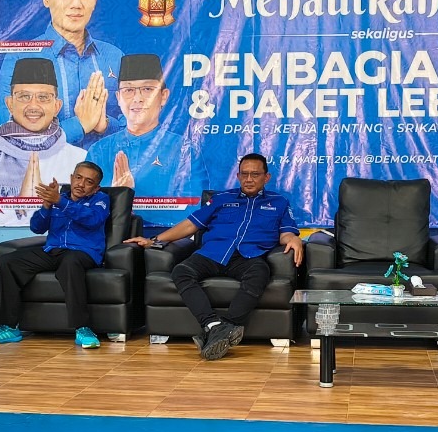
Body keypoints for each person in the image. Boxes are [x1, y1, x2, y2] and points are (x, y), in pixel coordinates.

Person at [124, 153, 303, 361]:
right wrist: (154, 240)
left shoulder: (279, 202)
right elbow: (190, 225)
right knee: (181, 271)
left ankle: (225, 326)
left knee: (260, 272)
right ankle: (214, 325)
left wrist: (294, 239)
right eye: (244, 174)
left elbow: (286, 233)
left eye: (255, 174)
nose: (249, 179)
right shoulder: (221, 199)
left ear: (266, 177)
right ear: (238, 176)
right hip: (213, 253)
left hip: (248, 256)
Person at [0, 0, 125, 149]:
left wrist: (104, 124)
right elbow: (6, 132)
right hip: (43, 170)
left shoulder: (114, 57)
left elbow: (138, 129)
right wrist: (79, 125)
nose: (76, 3)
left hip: (105, 169)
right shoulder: (21, 57)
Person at [0, 161, 110, 348]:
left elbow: (92, 219)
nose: (81, 184)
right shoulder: (58, 199)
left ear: (96, 187)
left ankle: (82, 328)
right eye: (78, 178)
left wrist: (60, 202)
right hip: (53, 251)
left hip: (83, 252)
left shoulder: (101, 200)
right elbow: (37, 227)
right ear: (72, 178)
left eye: (89, 182)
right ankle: (8, 327)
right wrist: (47, 206)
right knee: (8, 262)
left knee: (71, 262)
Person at [86, 53, 209, 226]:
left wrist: (128, 203)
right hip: (108, 237)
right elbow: (84, 208)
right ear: (118, 98)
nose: (137, 98)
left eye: (147, 89)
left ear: (164, 96)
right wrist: (118, 196)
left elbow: (195, 210)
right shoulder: (99, 151)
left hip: (164, 238)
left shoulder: (183, 150)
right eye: (129, 90)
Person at [0, 58, 85, 226]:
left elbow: (87, 215)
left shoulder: (79, 159)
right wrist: (23, 204)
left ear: (57, 106)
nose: (33, 106)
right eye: (24, 97)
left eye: (43, 97)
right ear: (10, 104)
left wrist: (46, 204)